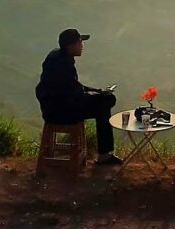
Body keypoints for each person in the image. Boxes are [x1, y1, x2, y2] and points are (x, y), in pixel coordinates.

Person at [35, 28, 121, 166]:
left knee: (103, 100)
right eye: (80, 42)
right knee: (106, 102)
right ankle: (105, 155)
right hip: (62, 112)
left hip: (51, 109)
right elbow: (75, 94)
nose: (82, 45)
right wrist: (97, 95)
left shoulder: (56, 56)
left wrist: (96, 91)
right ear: (71, 46)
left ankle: (105, 154)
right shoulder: (63, 65)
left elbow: (73, 86)